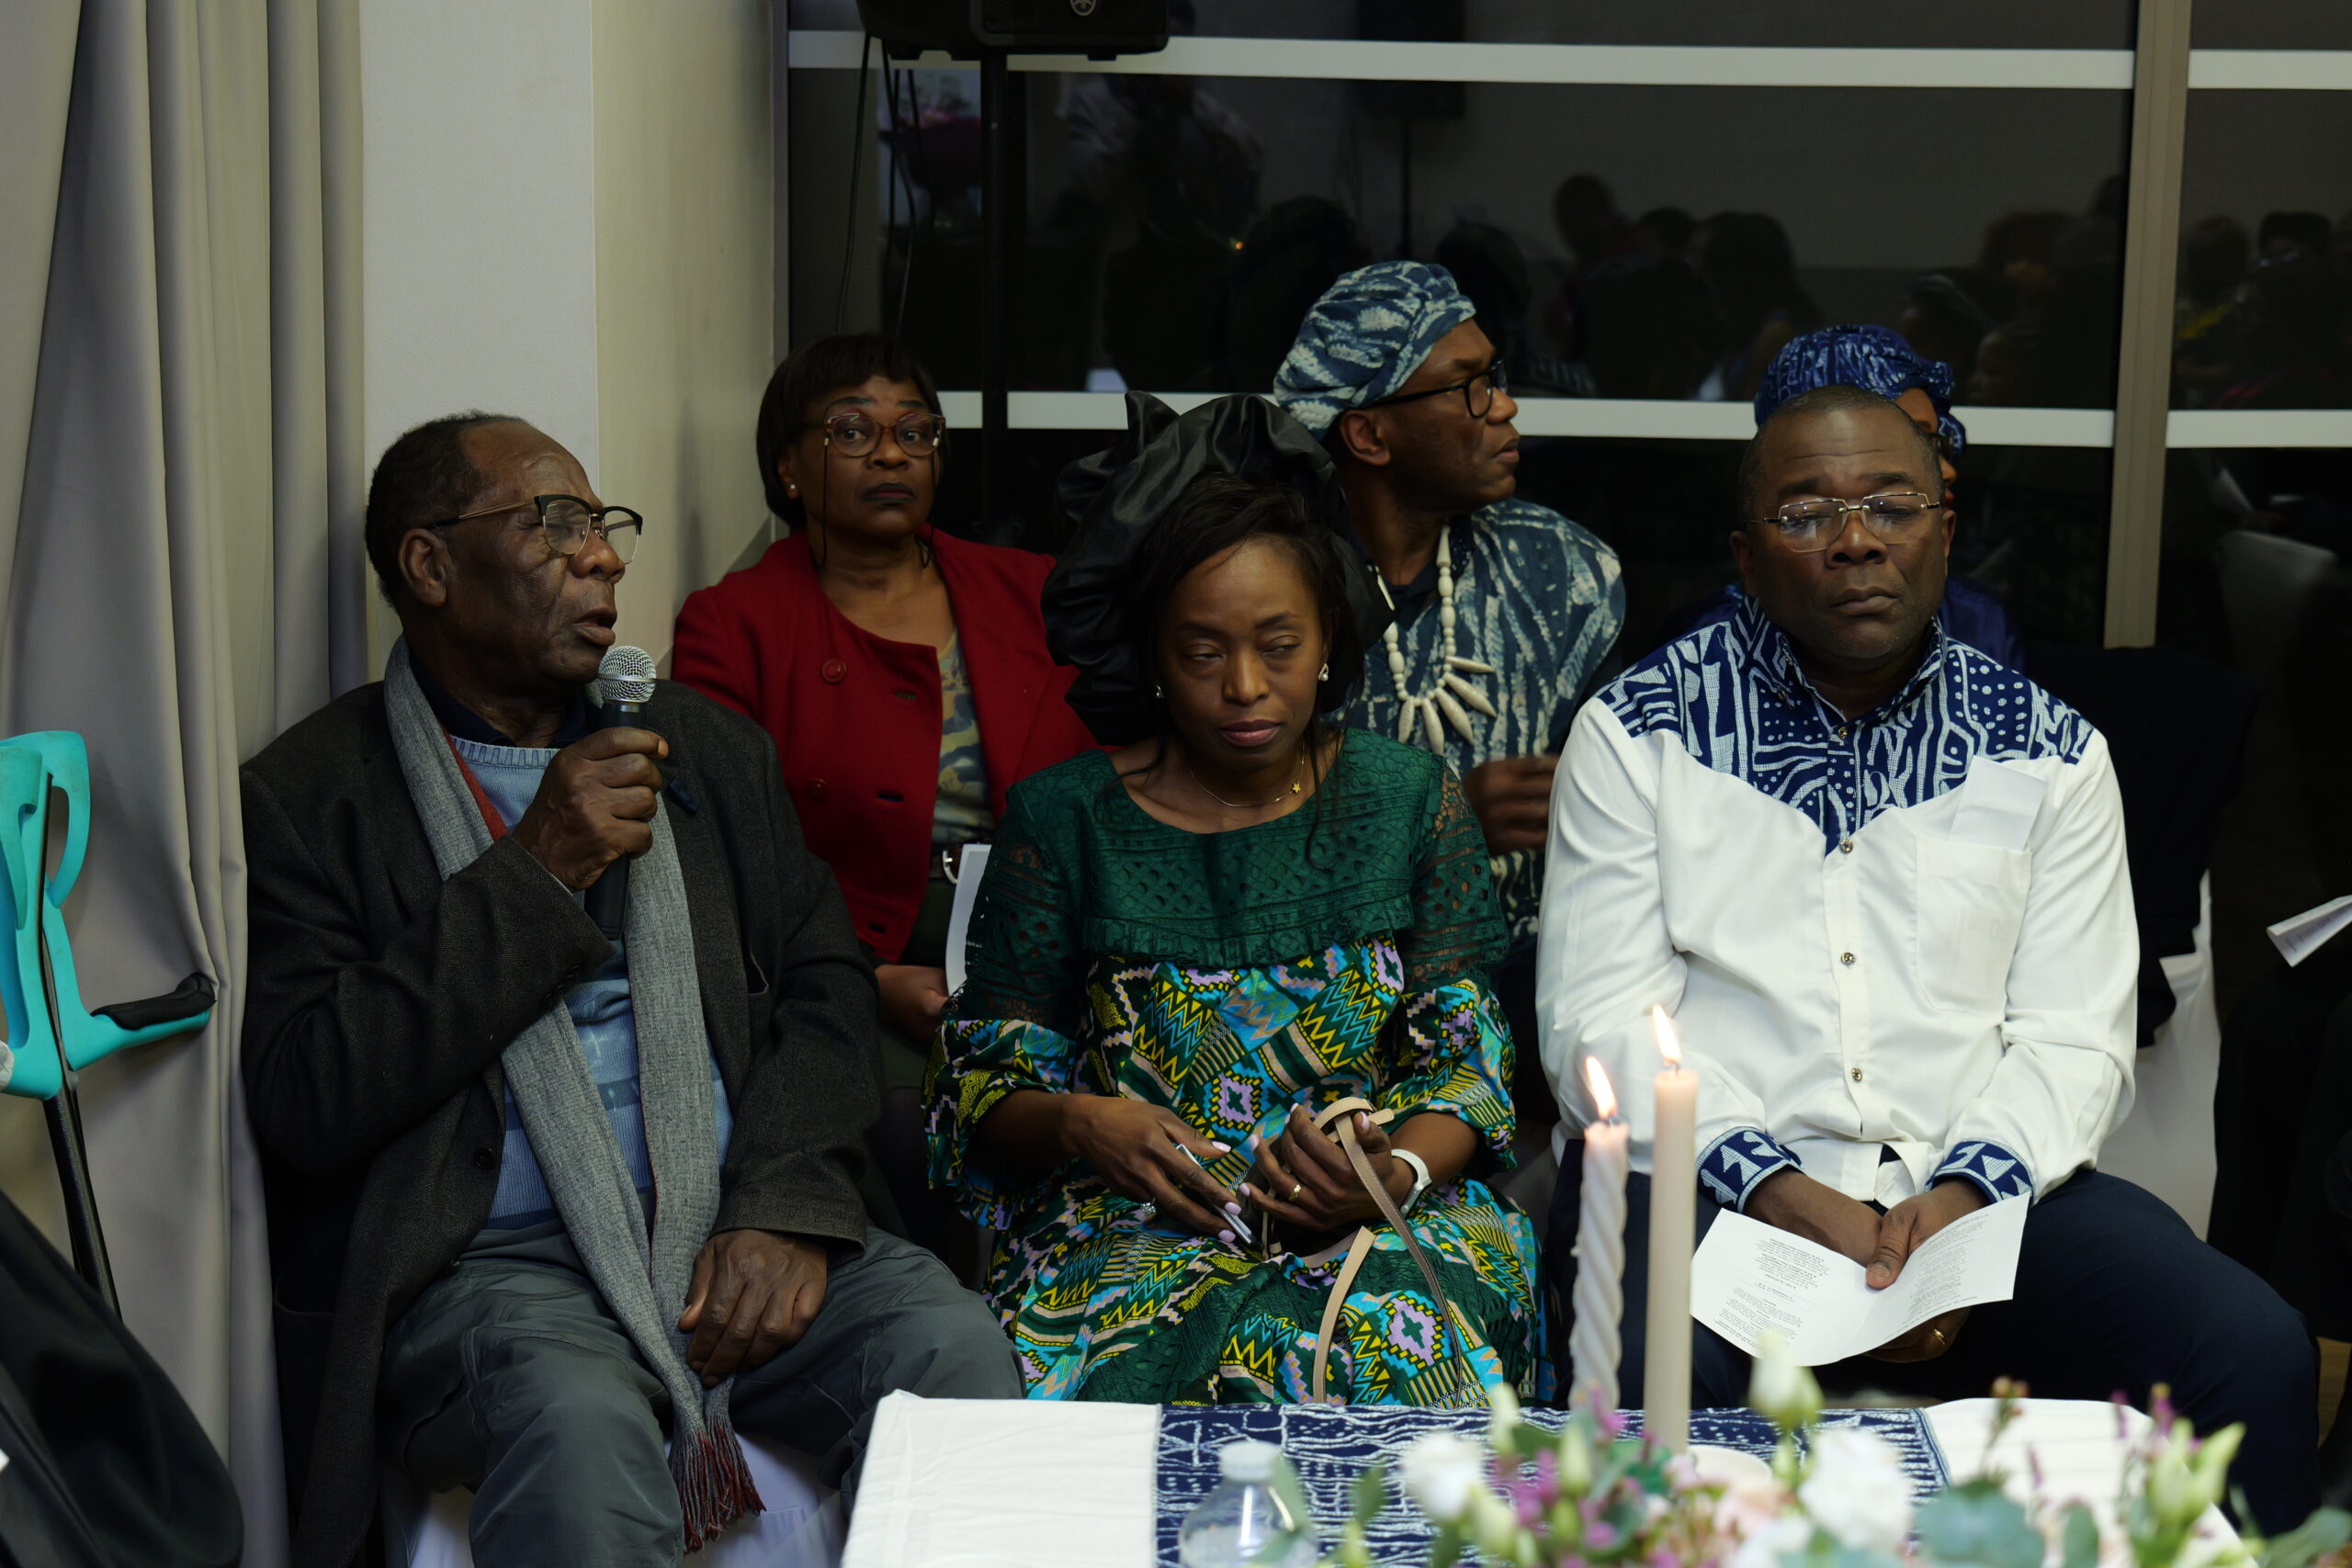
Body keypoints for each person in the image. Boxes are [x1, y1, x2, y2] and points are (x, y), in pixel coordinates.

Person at [1535, 384, 2319, 1532]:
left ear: (1944, 533)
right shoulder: (1638, 736)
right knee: (1649, 1378)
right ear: (1745, 557)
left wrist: (1960, 1198)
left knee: (2247, 1347)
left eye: (1890, 506)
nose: (1854, 539)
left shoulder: (2048, 751)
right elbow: (1597, 1019)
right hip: (1716, 1191)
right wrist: (1787, 1193)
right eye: (1806, 513)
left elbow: (2073, 1037)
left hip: (1985, 1192)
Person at [243, 413, 1020, 1568]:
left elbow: (824, 988)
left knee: (952, 1353)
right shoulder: (314, 797)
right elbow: (309, 1098)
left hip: (733, 1228)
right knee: (578, 1428)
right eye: (555, 525)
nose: (603, 557)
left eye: (604, 526)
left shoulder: (705, 750)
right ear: (431, 565)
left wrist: (785, 1205)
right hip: (491, 1272)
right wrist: (535, 874)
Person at [927, 394, 1546, 1404]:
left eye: (1279, 644)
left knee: (1405, 1352)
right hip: (1129, 1229)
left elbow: (1468, 1069)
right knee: (1146, 1381)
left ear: (1329, 640)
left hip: (1383, 1220)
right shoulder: (1066, 818)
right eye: (1203, 651)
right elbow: (983, 1091)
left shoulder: (1406, 799)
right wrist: (1086, 1122)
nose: (1246, 685)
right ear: (1155, 657)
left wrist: (1390, 1172)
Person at [673, 334, 1099, 1260]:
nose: (893, 455)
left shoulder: (1029, 588)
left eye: (915, 432)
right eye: (853, 431)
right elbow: (719, 853)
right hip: (855, 954)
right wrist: (865, 980)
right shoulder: (734, 625)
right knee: (914, 1128)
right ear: (788, 466)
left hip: (1050, 930)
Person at [1272, 260, 1623, 1097]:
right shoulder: (1274, 591)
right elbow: (1217, 829)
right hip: (1304, 1012)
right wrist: (1444, 825)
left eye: (1494, 376)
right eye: (1469, 387)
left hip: (1542, 999)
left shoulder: (1564, 573)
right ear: (1369, 435)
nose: (1503, 406)